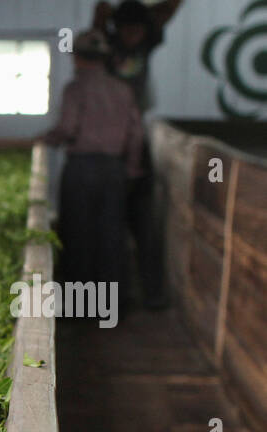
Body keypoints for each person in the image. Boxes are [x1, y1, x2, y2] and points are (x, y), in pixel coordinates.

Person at [39, 29, 144, 322]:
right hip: (114, 169)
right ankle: (113, 306)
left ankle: (79, 308)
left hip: (82, 169)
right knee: (111, 234)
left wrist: (45, 139)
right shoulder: (123, 90)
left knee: (77, 234)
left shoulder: (75, 89)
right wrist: (132, 169)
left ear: (77, 58)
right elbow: (136, 134)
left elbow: (68, 128)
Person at [92, 0, 187, 308]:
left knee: (143, 221)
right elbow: (99, 14)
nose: (133, 35)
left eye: (138, 29)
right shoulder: (105, 44)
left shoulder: (146, 42)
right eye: (127, 29)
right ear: (118, 29)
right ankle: (115, 296)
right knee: (109, 223)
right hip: (108, 141)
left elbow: (168, 10)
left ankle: (150, 292)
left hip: (135, 139)